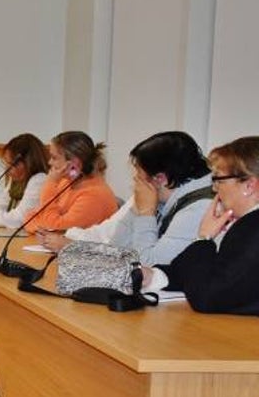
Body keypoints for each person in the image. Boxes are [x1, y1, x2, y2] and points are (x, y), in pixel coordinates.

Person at [38, 131, 212, 265]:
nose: (135, 180)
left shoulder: (199, 208)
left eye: (138, 173)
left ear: (160, 179)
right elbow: (117, 246)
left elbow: (148, 264)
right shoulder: (160, 195)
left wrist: (145, 214)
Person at [142, 136, 259, 315]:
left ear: (249, 186)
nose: (214, 189)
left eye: (219, 180)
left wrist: (204, 238)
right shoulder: (243, 221)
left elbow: (207, 297)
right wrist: (153, 276)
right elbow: (193, 272)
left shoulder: (252, 228)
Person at [24, 131, 118, 234]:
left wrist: (50, 183)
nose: (49, 162)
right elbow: (29, 219)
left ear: (74, 163)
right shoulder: (66, 182)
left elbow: (54, 228)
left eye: (54, 157)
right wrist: (47, 226)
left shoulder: (95, 195)